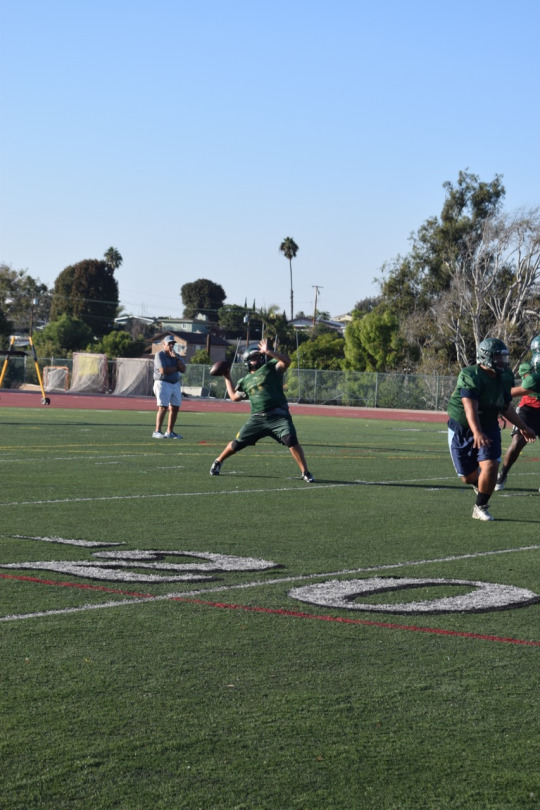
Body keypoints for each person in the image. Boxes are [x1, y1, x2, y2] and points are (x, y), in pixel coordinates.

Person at [446, 338, 535, 521]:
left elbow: (505, 407)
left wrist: (523, 427)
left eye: (504, 357)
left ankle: (480, 506)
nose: (503, 361)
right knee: (467, 476)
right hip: (463, 427)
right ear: (486, 357)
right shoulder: (471, 375)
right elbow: (469, 407)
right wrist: (476, 431)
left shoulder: (505, 376)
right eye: (498, 357)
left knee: (491, 464)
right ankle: (478, 482)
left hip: (489, 426)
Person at [209, 339, 314, 482]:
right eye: (253, 358)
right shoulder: (245, 381)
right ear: (246, 362)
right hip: (257, 418)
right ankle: (218, 461)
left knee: (291, 439)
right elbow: (234, 396)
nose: (257, 360)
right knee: (237, 443)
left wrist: (269, 352)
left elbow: (287, 361)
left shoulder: (271, 368)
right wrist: (227, 378)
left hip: (279, 415)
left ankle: (305, 472)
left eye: (259, 357)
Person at [495, 353, 540, 491]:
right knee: (517, 443)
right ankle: (503, 473)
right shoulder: (529, 368)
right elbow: (524, 388)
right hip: (529, 409)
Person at [152, 335, 186, 438]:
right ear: (164, 344)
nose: (171, 346)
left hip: (175, 383)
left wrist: (177, 359)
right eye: (169, 343)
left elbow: (183, 369)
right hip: (163, 383)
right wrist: (176, 368)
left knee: (175, 407)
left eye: (173, 344)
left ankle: (169, 432)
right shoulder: (159, 355)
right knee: (163, 407)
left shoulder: (176, 356)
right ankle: (157, 431)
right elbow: (163, 370)